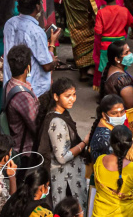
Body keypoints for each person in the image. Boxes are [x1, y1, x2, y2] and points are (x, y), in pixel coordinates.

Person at [35, 77, 90, 205]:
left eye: (74, 95)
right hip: (64, 178)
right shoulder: (56, 122)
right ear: (56, 97)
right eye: (67, 96)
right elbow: (62, 157)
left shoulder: (61, 113)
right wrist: (84, 143)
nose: (72, 99)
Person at [92, 126, 133, 217]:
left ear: (111, 142)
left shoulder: (100, 160)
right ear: (130, 144)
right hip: (125, 213)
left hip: (100, 213)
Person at [4, 45, 41, 157]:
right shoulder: (23, 97)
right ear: (28, 68)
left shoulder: (9, 84)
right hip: (25, 150)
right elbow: (36, 127)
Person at [89, 94, 133, 162]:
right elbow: (116, 164)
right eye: (114, 113)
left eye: (122, 112)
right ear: (104, 115)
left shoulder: (112, 127)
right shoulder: (105, 138)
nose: (119, 116)